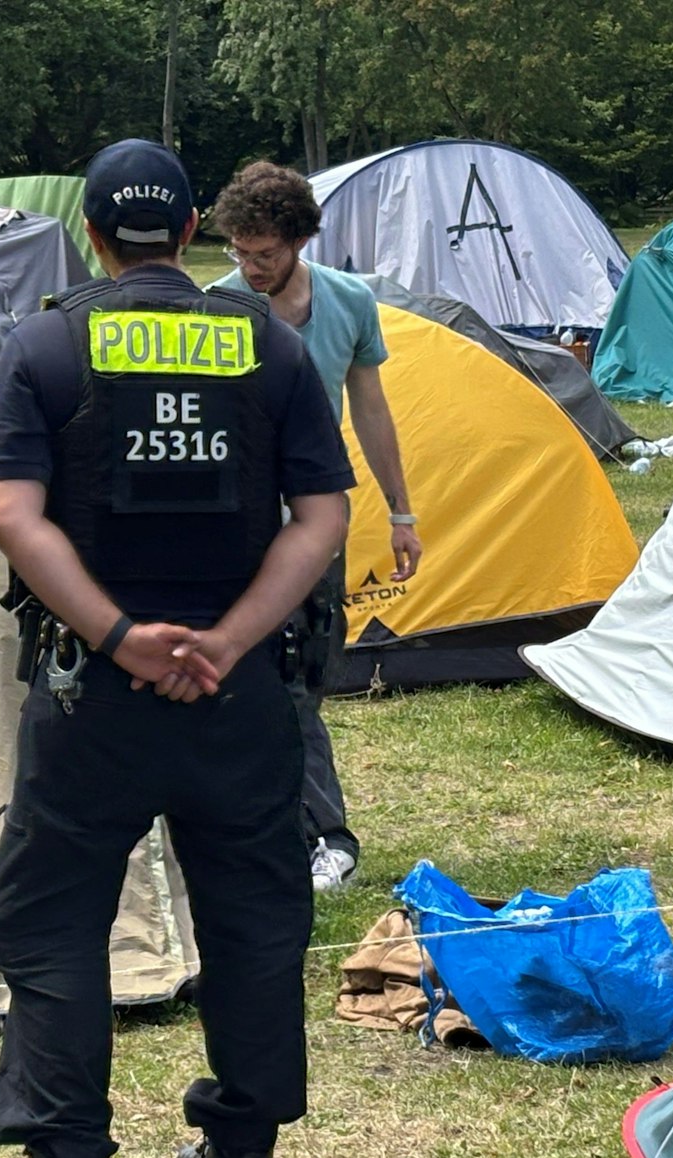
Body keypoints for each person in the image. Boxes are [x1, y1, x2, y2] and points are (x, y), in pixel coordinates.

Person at [0, 139, 352, 1158]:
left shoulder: (42, 343)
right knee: (256, 923)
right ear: (189, 235)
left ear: (89, 233)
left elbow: (8, 513)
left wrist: (122, 636)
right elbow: (320, 517)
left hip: (95, 697)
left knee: (49, 923)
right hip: (242, 697)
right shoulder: (269, 347)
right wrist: (224, 641)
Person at [207, 162, 422, 891]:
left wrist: (401, 512)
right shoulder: (215, 308)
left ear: (299, 240)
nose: (250, 266)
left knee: (302, 681)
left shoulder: (349, 303)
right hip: (233, 517)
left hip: (313, 515)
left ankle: (327, 839)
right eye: (239, 251)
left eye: (264, 253)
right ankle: (236, 831)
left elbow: (372, 409)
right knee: (228, 677)